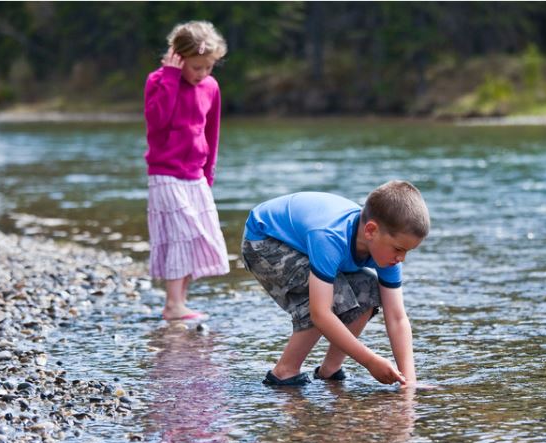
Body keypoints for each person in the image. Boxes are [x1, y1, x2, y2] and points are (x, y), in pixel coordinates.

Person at [241, 180, 430, 387]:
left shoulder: (387, 250)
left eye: (406, 251)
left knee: (368, 288)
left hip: (303, 241)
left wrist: (409, 382)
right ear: (370, 231)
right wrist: (370, 361)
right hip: (264, 241)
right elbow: (320, 314)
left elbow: (396, 317)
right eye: (398, 249)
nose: (401, 258)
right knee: (332, 294)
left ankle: (329, 370)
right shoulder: (330, 237)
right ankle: (284, 371)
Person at [144, 21, 230, 322]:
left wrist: (209, 173)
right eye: (196, 67)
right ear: (178, 58)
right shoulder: (158, 81)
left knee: (200, 236)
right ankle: (172, 304)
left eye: (208, 67)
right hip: (165, 173)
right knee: (181, 232)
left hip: (196, 176)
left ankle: (180, 301)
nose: (203, 74)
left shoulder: (211, 87)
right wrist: (169, 77)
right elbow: (157, 121)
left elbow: (212, 133)